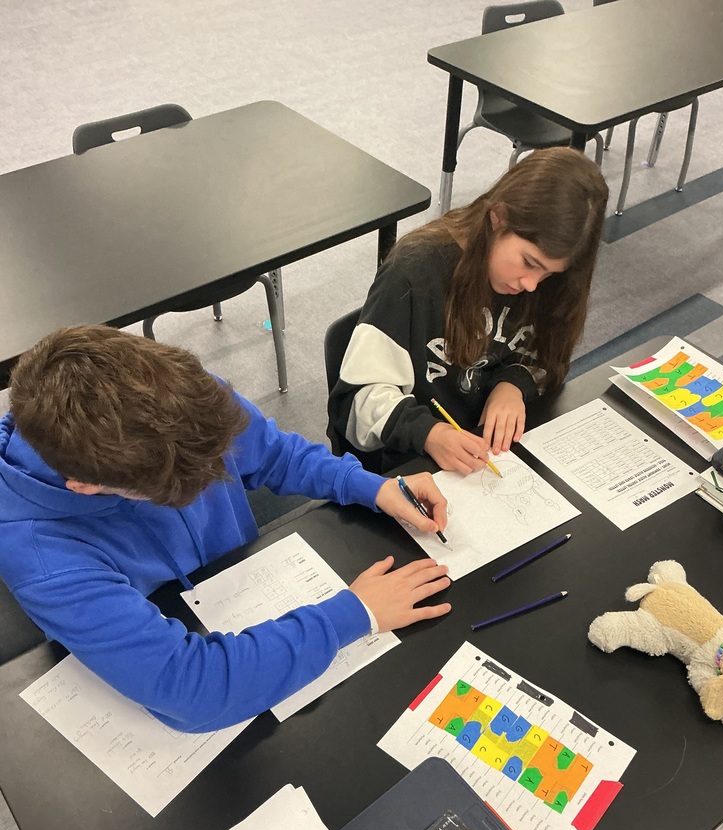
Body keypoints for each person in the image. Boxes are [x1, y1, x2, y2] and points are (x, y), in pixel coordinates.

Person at [0, 326, 452, 732]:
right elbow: (192, 688)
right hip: (180, 669)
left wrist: (367, 486)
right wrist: (354, 615)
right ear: (84, 486)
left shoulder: (182, 398)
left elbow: (273, 453)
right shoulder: (40, 554)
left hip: (246, 599)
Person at [329, 147, 609, 474]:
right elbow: (357, 401)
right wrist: (428, 432)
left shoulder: (549, 284)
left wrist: (514, 384)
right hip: (412, 461)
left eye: (548, 274)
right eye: (529, 263)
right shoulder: (415, 272)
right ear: (498, 217)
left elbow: (547, 354)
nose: (532, 284)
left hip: (488, 453)